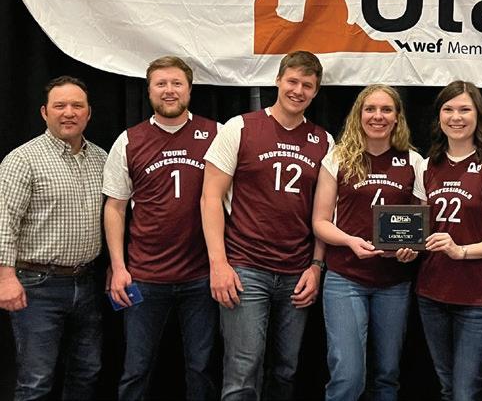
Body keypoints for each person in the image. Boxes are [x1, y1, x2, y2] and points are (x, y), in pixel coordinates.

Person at [201, 50, 333, 401]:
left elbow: (326, 214)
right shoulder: (240, 127)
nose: (298, 91)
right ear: (277, 80)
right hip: (246, 268)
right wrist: (218, 263)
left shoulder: (324, 141)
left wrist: (316, 266)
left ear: (316, 91)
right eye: (292, 81)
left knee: (286, 369)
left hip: (296, 271)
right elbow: (210, 197)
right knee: (243, 370)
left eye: (307, 85)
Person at [104, 56, 219, 400]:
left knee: (202, 368)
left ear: (190, 89)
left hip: (202, 277)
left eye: (177, 83)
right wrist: (119, 267)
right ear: (149, 90)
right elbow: (115, 208)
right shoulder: (129, 140)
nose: (169, 91)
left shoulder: (217, 134)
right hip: (144, 276)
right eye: (161, 84)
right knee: (136, 369)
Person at [0, 76, 107, 400]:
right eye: (60, 106)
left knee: (87, 372)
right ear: (44, 112)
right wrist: (5, 278)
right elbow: (4, 222)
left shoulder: (101, 158)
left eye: (77, 105)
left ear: (89, 113)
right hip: (37, 286)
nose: (69, 112)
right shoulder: (23, 160)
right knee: (36, 380)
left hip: (87, 283)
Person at [312, 84, 421, 401]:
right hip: (346, 278)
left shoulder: (413, 161)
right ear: (358, 115)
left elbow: (421, 222)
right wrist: (350, 241)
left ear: (397, 117)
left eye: (386, 109)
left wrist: (411, 250)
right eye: (370, 109)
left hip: (394, 283)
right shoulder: (338, 158)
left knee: (387, 375)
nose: (378, 116)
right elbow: (320, 222)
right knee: (348, 375)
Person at [414, 81, 482, 401]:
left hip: (478, 297)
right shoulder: (427, 166)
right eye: (448, 109)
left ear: (478, 115)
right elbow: (420, 231)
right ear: (439, 116)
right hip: (431, 292)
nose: (456, 117)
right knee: (447, 388)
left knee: (465, 391)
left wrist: (461, 251)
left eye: (464, 109)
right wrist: (405, 249)